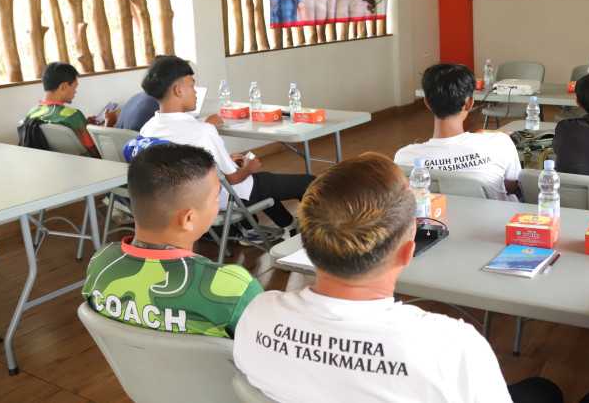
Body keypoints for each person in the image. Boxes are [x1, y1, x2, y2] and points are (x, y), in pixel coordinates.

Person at [233, 152, 562, 403]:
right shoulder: (452, 345)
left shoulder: (257, 315)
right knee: (543, 390)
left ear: (307, 242)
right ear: (408, 253)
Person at [82, 143, 263, 337]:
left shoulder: (101, 263)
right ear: (188, 219)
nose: (217, 204)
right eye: (216, 198)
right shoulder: (234, 287)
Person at [138, 55, 313, 240]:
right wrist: (249, 168)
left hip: (181, 199)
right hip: (225, 197)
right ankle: (313, 238)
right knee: (309, 183)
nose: (196, 92)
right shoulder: (202, 131)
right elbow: (234, 179)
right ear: (179, 90)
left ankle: (290, 226)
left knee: (264, 186)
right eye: (192, 85)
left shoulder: (147, 128)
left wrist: (226, 160)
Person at [394, 63, 521, 201]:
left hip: (436, 221)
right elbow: (515, 185)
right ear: (469, 103)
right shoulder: (499, 143)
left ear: (427, 103)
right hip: (494, 222)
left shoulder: (404, 158)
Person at [26, 61, 116, 157]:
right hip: (87, 167)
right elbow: (99, 154)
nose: (75, 92)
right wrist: (108, 124)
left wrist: (84, 124)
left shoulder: (31, 114)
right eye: (74, 87)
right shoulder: (73, 116)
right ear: (64, 86)